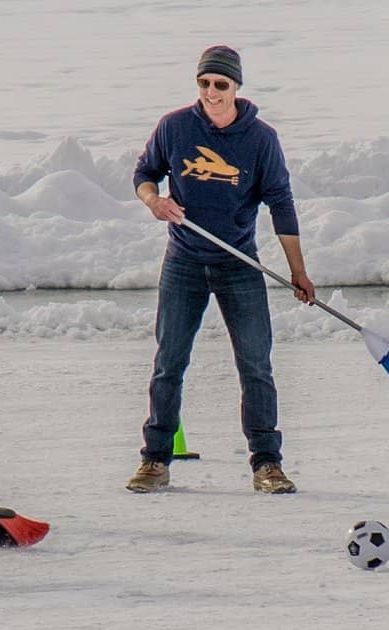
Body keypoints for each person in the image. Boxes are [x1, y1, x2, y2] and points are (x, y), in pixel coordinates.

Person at [127, 45, 316, 495]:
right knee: (169, 362)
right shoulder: (174, 127)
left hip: (239, 264)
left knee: (256, 365)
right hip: (184, 262)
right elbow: (144, 173)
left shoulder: (261, 139)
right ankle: (155, 459)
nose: (211, 92)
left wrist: (298, 272)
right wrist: (153, 200)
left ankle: (267, 463)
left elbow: (281, 205)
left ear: (236, 88)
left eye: (221, 85)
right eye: (204, 83)